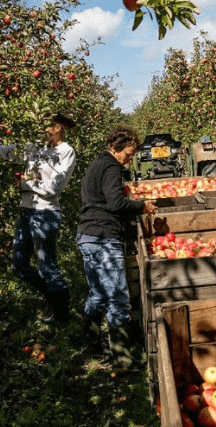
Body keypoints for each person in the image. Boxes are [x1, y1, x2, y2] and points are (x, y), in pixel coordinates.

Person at [76, 125, 157, 372]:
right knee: (118, 297)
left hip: (87, 236)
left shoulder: (95, 164)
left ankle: (91, 344)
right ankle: (122, 360)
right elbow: (116, 203)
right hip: (102, 237)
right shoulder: (111, 167)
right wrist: (141, 206)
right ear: (116, 147)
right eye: (129, 154)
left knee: (97, 293)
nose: (129, 160)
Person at [0, 112, 78, 323]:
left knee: (47, 265)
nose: (41, 130)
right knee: (20, 266)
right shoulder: (34, 148)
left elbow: (54, 188)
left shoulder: (66, 152)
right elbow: (6, 153)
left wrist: (25, 184)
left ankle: (61, 315)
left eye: (45, 126)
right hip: (26, 211)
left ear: (57, 127)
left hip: (45, 214)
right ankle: (54, 298)